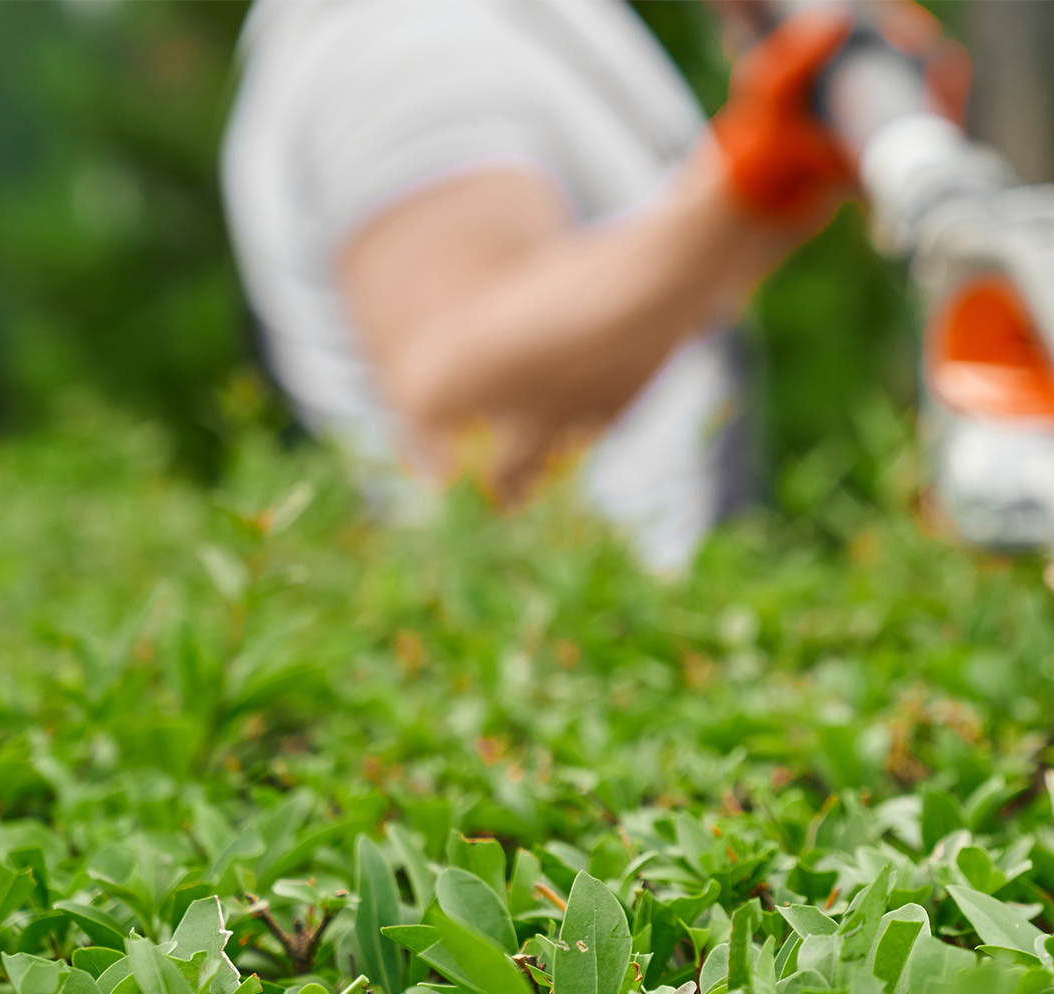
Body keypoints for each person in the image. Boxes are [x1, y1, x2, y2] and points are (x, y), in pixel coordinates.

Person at [224, 0, 961, 572]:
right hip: (545, 683)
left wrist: (783, 170)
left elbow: (636, 285)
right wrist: (754, 183)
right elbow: (467, 423)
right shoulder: (408, 36)